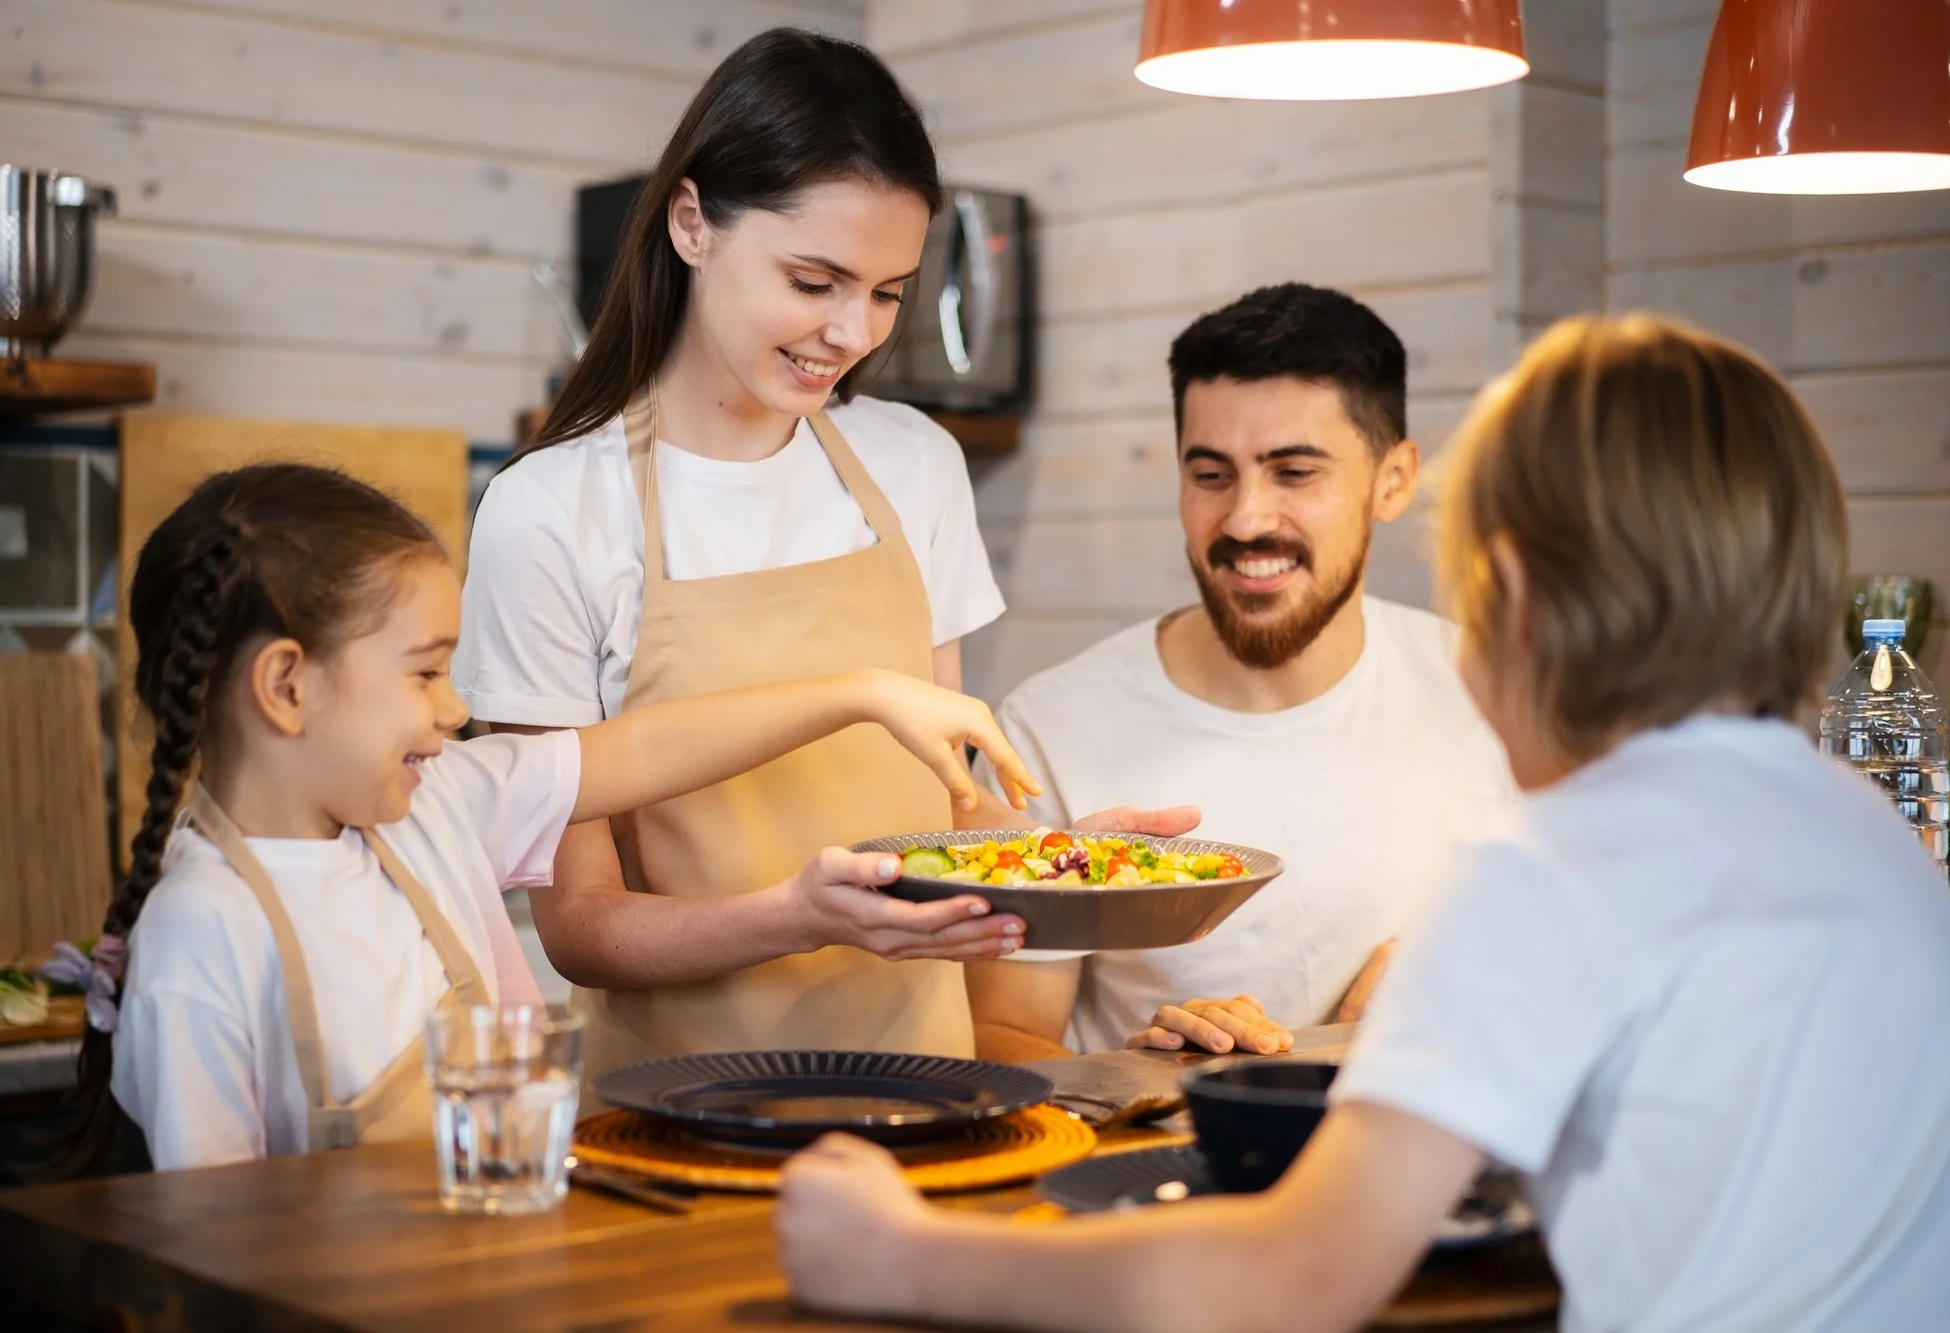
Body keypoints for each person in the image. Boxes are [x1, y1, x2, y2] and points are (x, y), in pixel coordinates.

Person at [776, 315, 1950, 1332]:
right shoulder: (1877, 840)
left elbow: (1293, 1282)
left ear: (1515, 599)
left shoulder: (1552, 865)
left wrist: (892, 1252)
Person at [454, 28, 1184, 1074]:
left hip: (928, 1093)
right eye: (814, 281)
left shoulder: (912, 464)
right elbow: (581, 927)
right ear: (692, 222)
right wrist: (802, 915)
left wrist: (1061, 867)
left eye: (886, 292)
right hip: (674, 1121)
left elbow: (949, 810)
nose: (852, 333)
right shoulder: (550, 511)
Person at [79, 463, 1038, 1172]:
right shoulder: (203, 929)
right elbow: (199, 1251)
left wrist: (863, 692)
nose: (455, 710)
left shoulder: (437, 806)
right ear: (286, 685)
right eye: (423, 673)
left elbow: (644, 750)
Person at [969, 284, 1513, 1063]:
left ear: (1393, 481)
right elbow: (998, 1042)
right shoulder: (1050, 729)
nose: (1247, 519)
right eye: (1212, 474)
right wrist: (1147, 1072)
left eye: (1294, 472)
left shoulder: (1497, 695)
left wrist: (1462, 972)